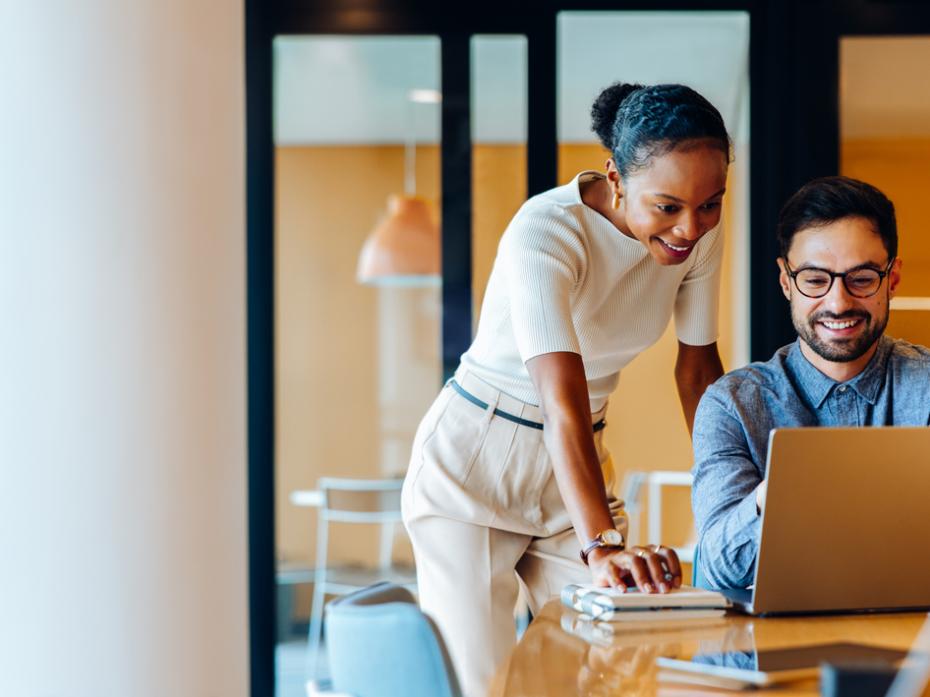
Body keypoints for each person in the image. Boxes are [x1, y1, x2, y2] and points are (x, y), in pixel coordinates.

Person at [402, 82, 731, 696]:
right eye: (668, 207)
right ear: (615, 177)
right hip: (475, 465)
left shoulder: (697, 234)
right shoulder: (546, 232)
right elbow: (561, 400)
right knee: (487, 685)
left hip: (574, 464)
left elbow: (698, 372)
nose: (692, 226)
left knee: (616, 667)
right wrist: (602, 542)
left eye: (710, 203)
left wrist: (732, 490)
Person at [692, 175, 930, 591]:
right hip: (770, 648)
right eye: (816, 281)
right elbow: (720, 565)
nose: (838, 302)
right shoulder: (731, 405)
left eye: (861, 279)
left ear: (891, 279)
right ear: (786, 282)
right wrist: (785, 489)